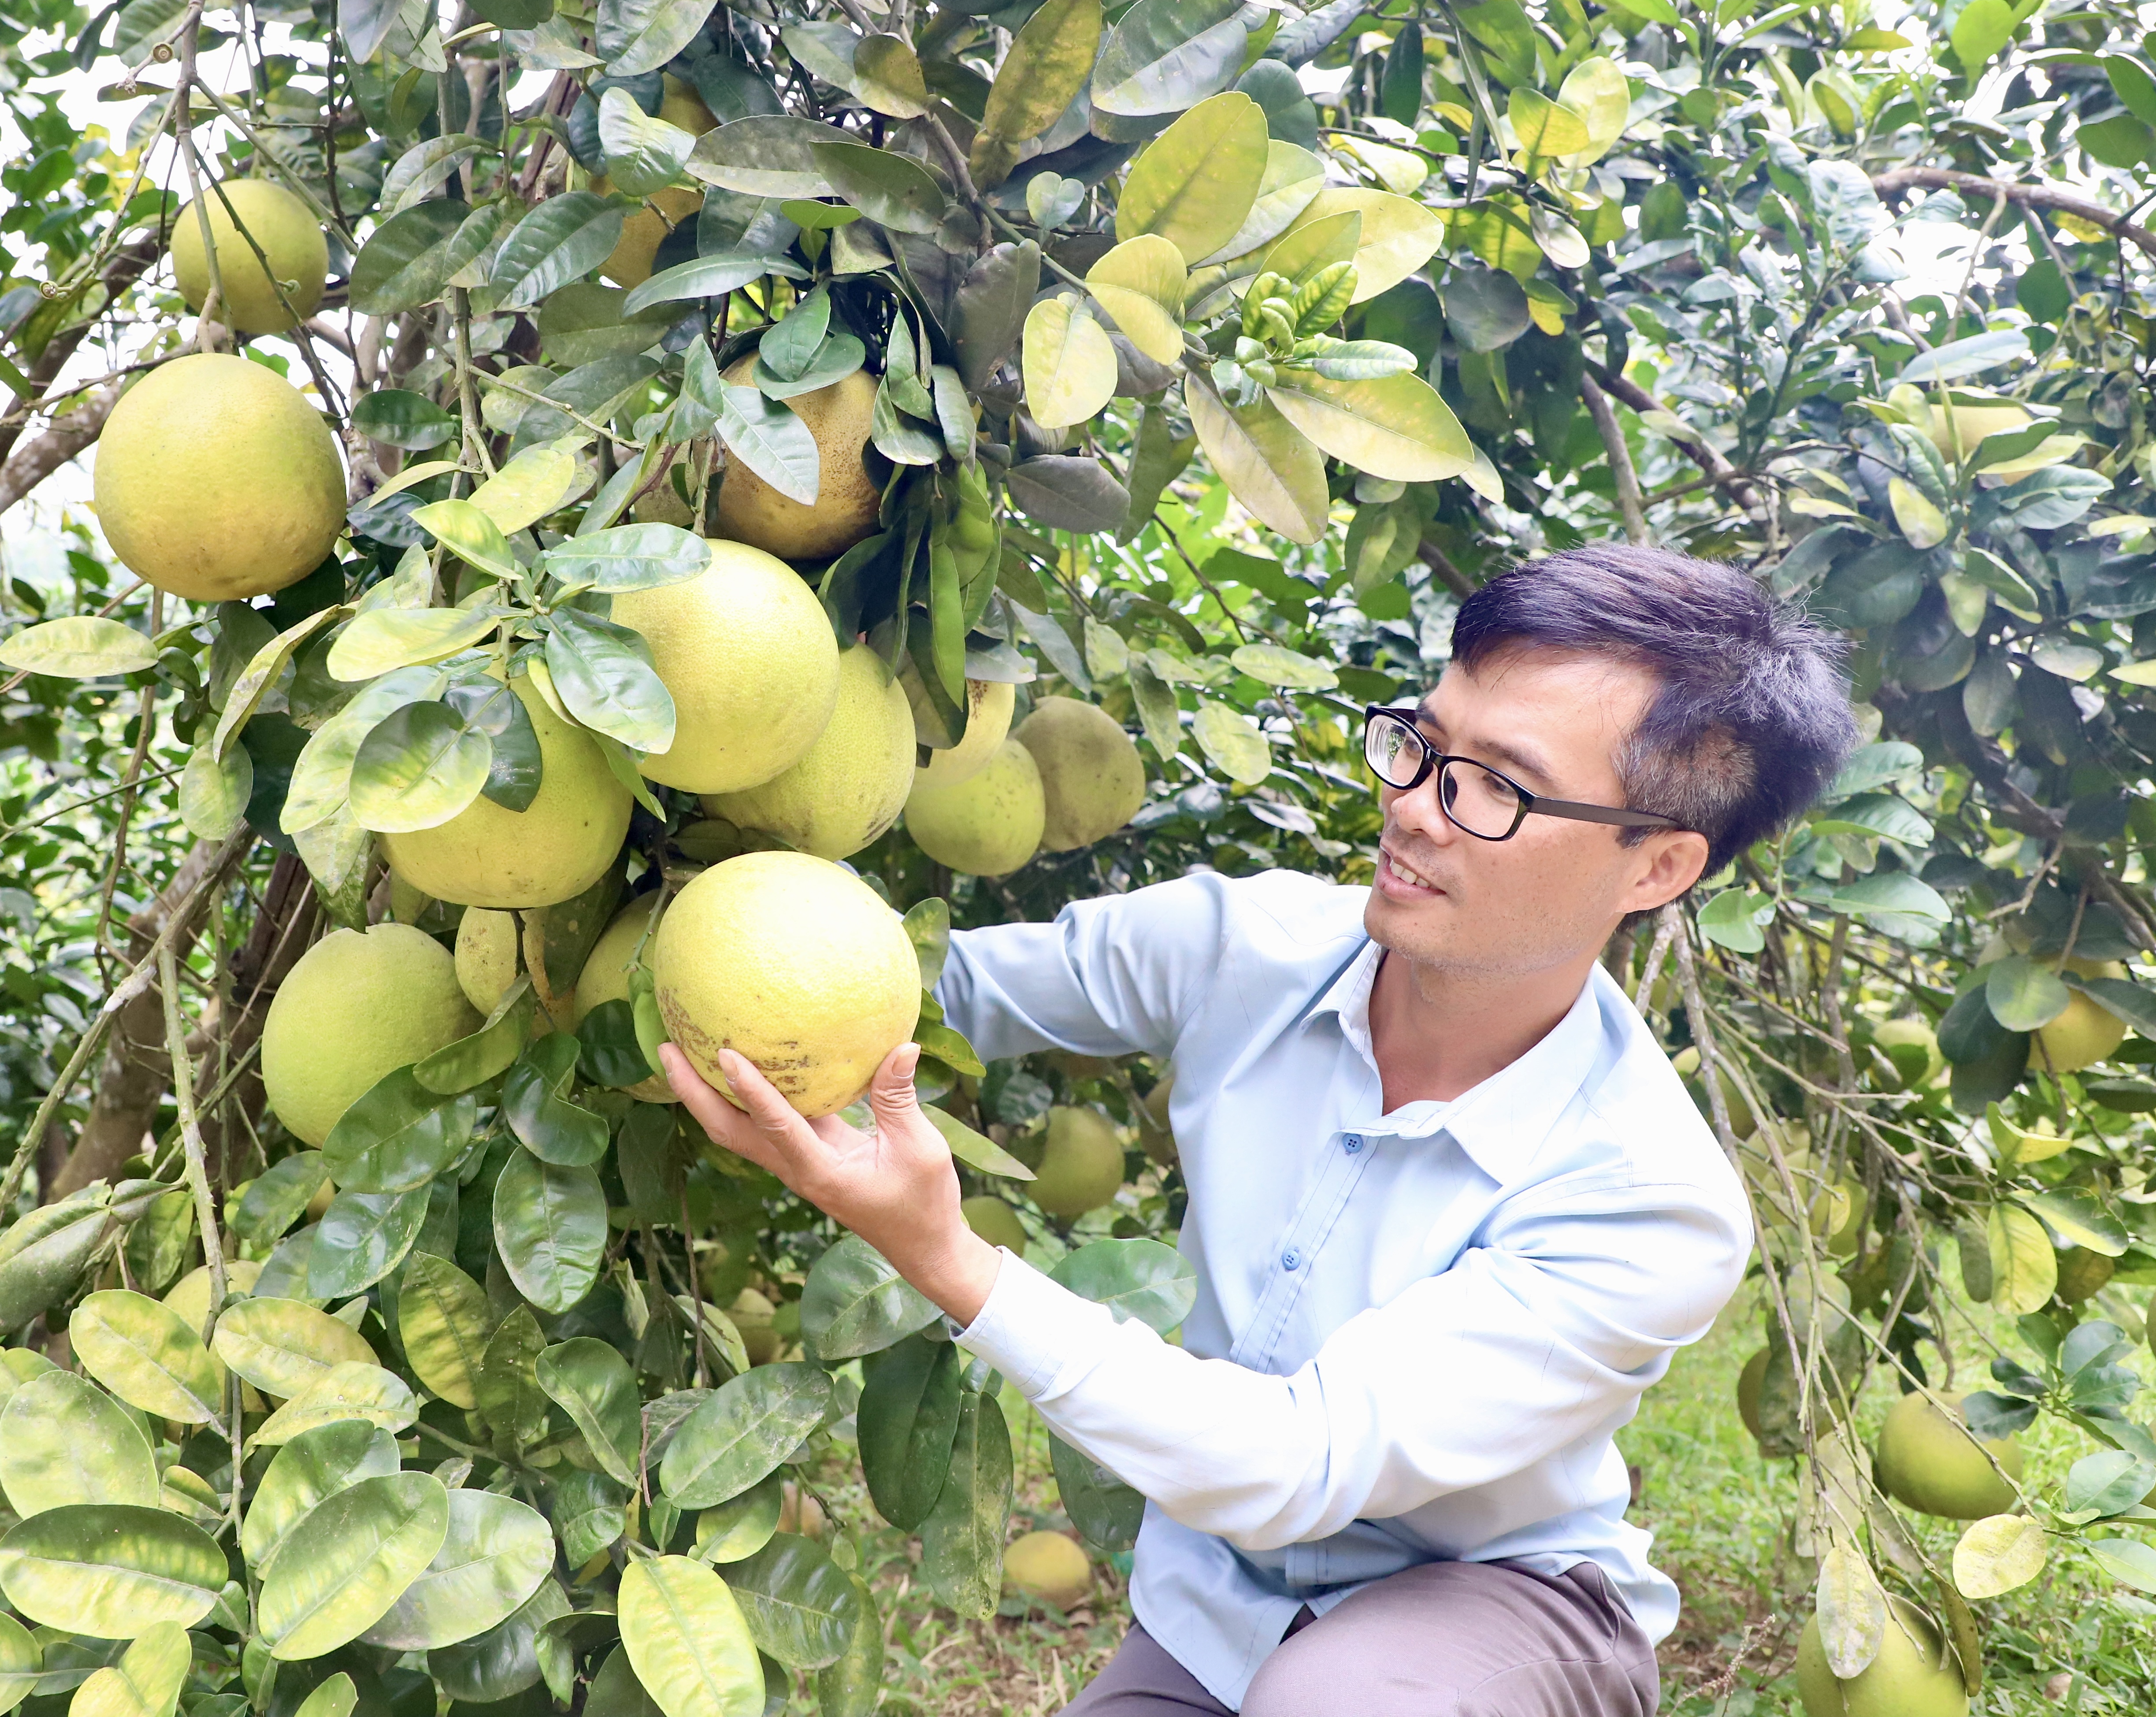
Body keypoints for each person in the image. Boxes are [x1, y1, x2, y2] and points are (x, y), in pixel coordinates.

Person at [656, 544, 1860, 1717]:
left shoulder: (1651, 1201)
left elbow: (1295, 1463)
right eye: (1422, 744)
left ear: (1655, 867)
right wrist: (692, 895)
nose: (1414, 810)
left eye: (1493, 784)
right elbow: (929, 990)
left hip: (1493, 1612)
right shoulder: (1250, 946)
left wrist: (947, 1259)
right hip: (1222, 1613)